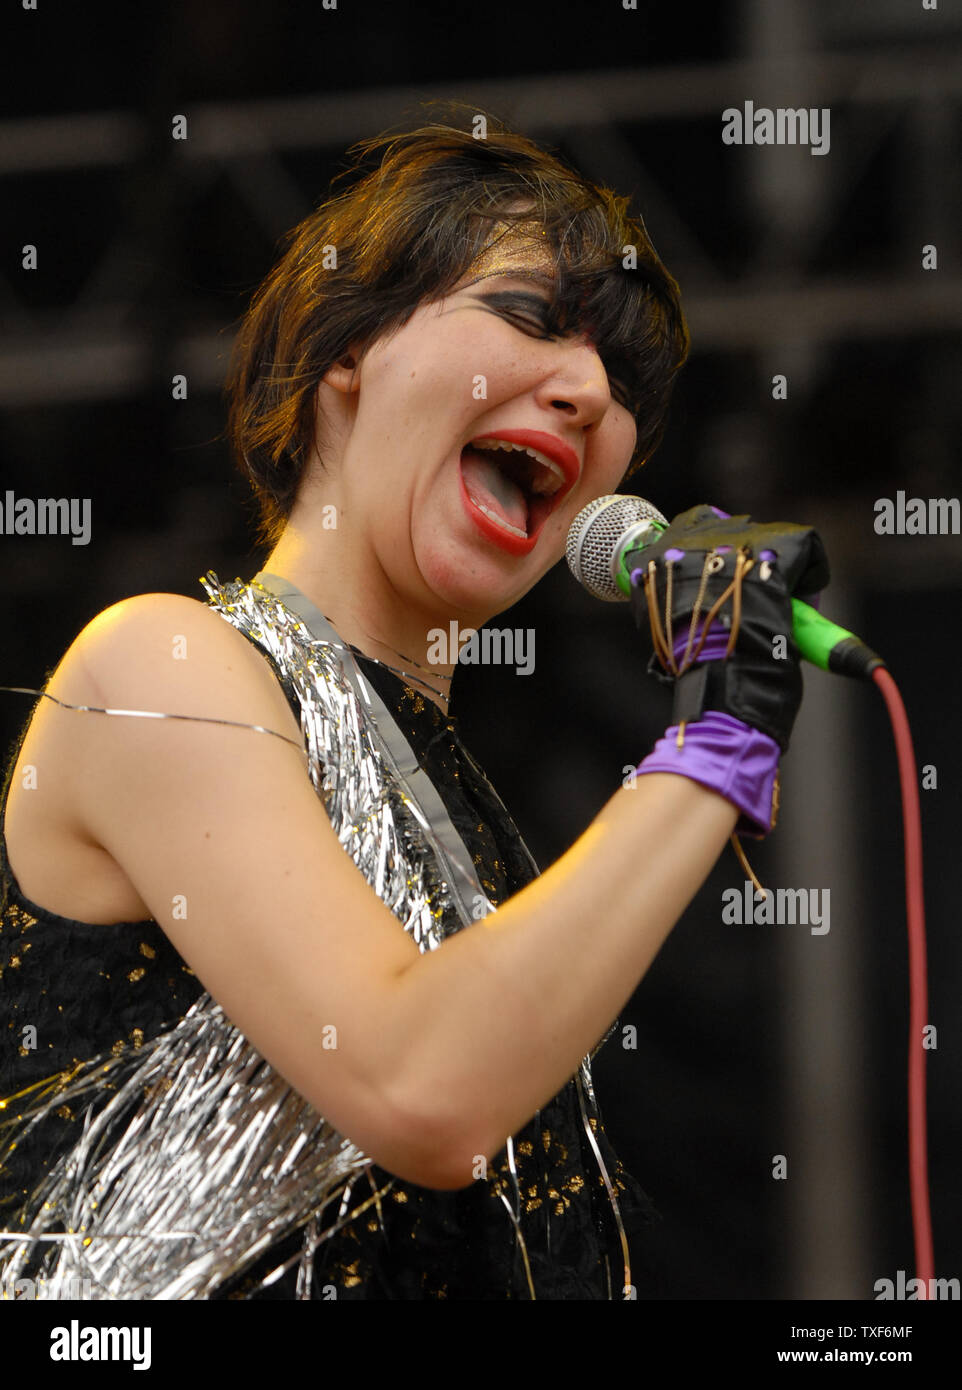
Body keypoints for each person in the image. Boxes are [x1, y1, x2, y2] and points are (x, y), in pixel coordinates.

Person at [0, 115, 822, 1300]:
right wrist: (716, 748)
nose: (590, 390)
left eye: (623, 382)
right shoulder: (160, 667)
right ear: (348, 351)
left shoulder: (462, 823)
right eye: (532, 320)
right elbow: (421, 1088)